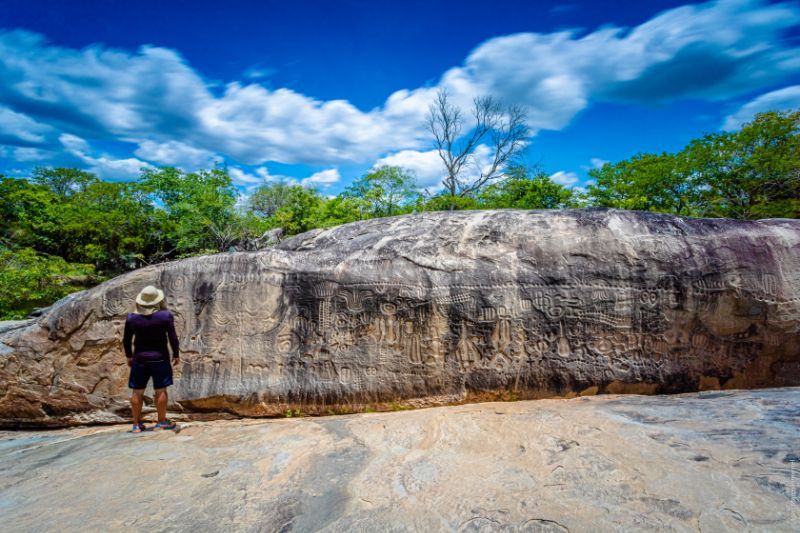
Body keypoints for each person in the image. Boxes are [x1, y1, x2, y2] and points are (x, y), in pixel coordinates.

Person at [123, 285, 180, 433]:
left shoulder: (132, 318)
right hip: (160, 358)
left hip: (139, 359)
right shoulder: (165, 316)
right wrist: (176, 354)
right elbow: (172, 337)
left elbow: (126, 340)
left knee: (137, 391)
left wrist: (129, 356)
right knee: (160, 390)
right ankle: (161, 422)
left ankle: (136, 424)